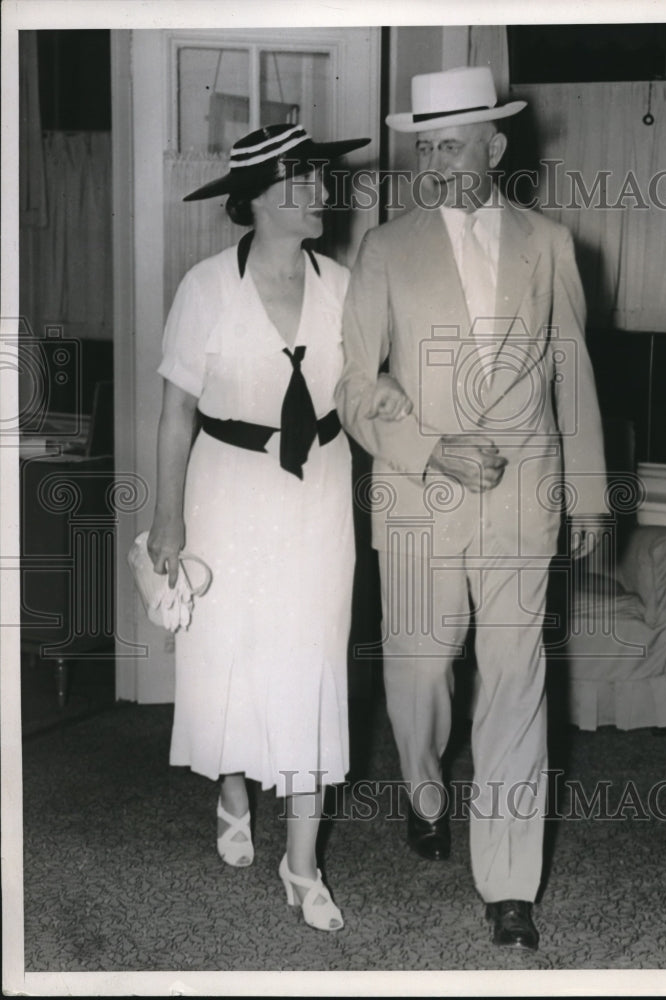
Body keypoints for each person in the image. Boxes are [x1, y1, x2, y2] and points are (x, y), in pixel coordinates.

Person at [335, 67, 608, 949]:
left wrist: (590, 493)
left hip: (523, 502)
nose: (432, 163)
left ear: (494, 147)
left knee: (516, 685)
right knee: (418, 672)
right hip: (419, 497)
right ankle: (422, 785)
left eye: (448, 145)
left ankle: (508, 885)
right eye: (423, 147)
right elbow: (354, 384)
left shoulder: (549, 244)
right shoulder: (385, 248)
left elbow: (572, 369)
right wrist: (424, 446)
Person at [147, 123, 403, 932]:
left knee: (312, 664)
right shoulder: (204, 289)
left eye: (321, 178)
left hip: (318, 492)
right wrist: (165, 522)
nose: (320, 192)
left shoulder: (343, 284)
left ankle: (302, 864)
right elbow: (174, 412)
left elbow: (367, 394)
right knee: (229, 655)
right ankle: (231, 795)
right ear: (254, 201)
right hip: (226, 493)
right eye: (301, 180)